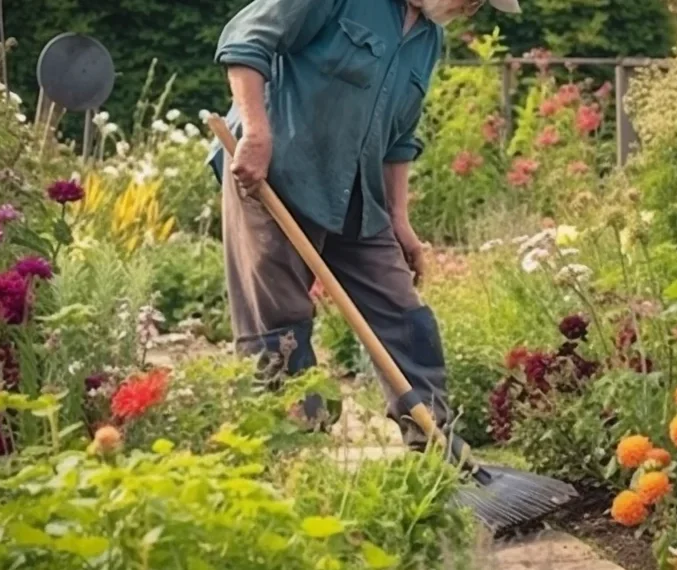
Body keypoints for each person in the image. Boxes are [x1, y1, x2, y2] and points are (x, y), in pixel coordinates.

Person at [207, 0, 521, 451]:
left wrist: (399, 219)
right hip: (275, 176)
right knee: (279, 326)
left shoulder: (428, 37)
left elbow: (400, 137)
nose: (473, 9)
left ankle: (438, 449)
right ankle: (293, 456)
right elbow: (244, 42)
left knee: (404, 314)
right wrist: (256, 133)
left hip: (357, 193)